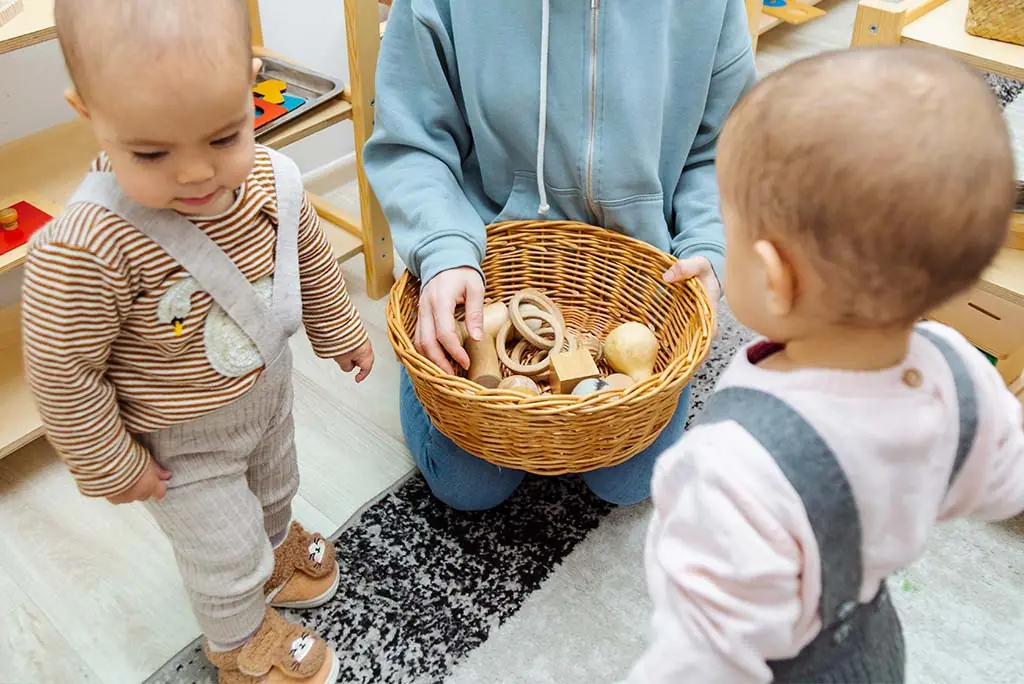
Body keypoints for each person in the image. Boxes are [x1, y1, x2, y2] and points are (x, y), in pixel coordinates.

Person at [624, 47, 1024, 684]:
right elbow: (1006, 479)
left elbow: (703, 659)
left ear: (777, 279)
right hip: (869, 648)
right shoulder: (959, 371)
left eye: (728, 229)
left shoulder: (736, 466)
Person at [22, 1, 375, 682]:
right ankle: (239, 642)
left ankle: (273, 558)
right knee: (223, 548)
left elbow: (303, 261)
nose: (195, 175)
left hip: (267, 394)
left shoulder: (272, 180)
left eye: (223, 138)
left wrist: (340, 330)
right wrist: (114, 465)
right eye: (151, 152)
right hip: (181, 442)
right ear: (89, 113)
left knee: (278, 487)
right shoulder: (88, 248)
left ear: (250, 84)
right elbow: (63, 370)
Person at [363, 0, 757, 510]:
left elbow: (727, 146)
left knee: (630, 482)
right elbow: (411, 141)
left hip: (637, 288)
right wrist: (443, 247)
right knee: (468, 487)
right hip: (488, 266)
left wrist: (708, 244)